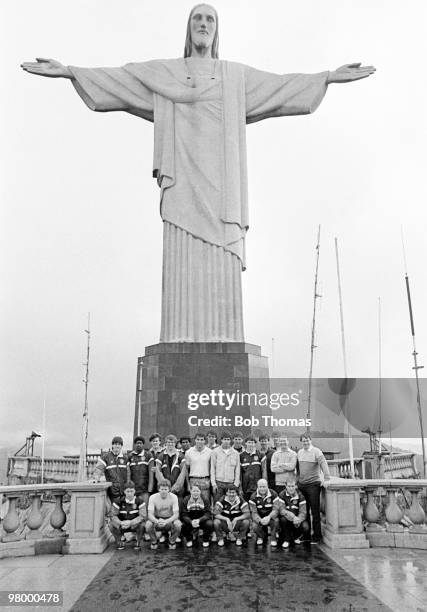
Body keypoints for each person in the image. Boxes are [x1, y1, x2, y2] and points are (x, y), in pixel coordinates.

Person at [21, 6, 375, 345]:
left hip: (223, 190)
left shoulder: (235, 77)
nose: (203, 24)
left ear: (217, 30)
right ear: (188, 29)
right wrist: (70, 71)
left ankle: (224, 334)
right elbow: (121, 79)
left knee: (222, 263)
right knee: (181, 263)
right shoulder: (166, 74)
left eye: (210, 19)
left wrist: (326, 77)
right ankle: (180, 333)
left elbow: (279, 87)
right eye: (197, 18)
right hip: (182, 186)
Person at [297, 433, 331, 543]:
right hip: (302, 485)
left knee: (315, 512)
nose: (305, 442)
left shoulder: (317, 451)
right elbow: (298, 468)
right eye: (303, 441)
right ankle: (306, 535)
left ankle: (317, 536)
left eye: (307, 440)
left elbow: (323, 464)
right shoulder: (300, 452)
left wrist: (327, 478)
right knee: (304, 512)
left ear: (310, 440)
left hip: (313, 485)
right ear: (301, 442)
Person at [91, 435, 128, 505]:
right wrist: (95, 478)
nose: (117, 446)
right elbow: (99, 469)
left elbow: (129, 473)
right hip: (112, 491)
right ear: (112, 445)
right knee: (113, 512)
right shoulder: (106, 457)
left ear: (121, 446)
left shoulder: (125, 458)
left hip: (124, 491)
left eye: (119, 444)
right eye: (115, 444)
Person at [146, 479, 182, 550]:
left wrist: (166, 521)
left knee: (178, 524)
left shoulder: (174, 497)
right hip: (157, 519)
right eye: (162, 489)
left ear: (169, 489)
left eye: (165, 489)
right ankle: (154, 541)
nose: (163, 491)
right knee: (148, 524)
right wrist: (157, 521)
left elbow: (176, 514)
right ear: (158, 489)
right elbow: (150, 514)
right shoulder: (152, 497)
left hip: (170, 519)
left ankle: (172, 541)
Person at [110, 481, 145, 551]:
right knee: (111, 525)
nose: (129, 493)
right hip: (122, 524)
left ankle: (137, 541)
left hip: (134, 524)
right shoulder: (118, 501)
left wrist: (131, 522)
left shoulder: (139, 501)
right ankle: (120, 540)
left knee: (143, 525)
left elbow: (142, 516)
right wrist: (120, 522)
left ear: (134, 491)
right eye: (127, 491)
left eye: (131, 491)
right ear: (124, 491)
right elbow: (113, 515)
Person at [278, 480, 310, 548]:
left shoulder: (301, 496)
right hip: (287, 518)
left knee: (306, 527)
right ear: (286, 486)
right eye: (289, 486)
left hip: (297, 519)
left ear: (296, 486)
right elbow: (282, 510)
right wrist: (293, 517)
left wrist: (298, 519)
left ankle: (295, 537)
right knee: (283, 520)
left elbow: (303, 512)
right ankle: (286, 540)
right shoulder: (282, 494)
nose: (291, 488)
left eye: (292, 486)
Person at [249, 478, 280, 547]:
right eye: (260, 487)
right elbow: (253, 513)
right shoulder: (253, 497)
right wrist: (260, 520)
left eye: (264, 486)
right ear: (257, 487)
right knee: (254, 526)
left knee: (276, 521)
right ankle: (261, 537)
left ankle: (273, 538)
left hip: (270, 517)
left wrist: (269, 517)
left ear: (267, 486)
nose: (262, 489)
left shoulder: (274, 494)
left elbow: (276, 509)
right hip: (260, 518)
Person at [155, 434, 187, 501]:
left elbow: (183, 474)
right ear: (165, 443)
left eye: (172, 442)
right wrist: (165, 487)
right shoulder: (160, 456)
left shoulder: (181, 456)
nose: (170, 444)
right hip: (164, 490)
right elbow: (158, 473)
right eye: (168, 442)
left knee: (178, 509)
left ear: (175, 443)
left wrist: (175, 488)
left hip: (178, 491)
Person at [181, 484, 213, 548]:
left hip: (202, 520)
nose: (195, 493)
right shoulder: (186, 499)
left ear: (200, 491)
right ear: (190, 491)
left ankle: (205, 540)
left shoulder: (205, 499)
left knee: (209, 524)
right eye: (194, 491)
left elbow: (208, 513)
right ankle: (189, 539)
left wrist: (199, 520)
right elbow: (184, 514)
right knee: (183, 526)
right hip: (191, 520)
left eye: (197, 491)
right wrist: (190, 521)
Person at [211, 431, 240, 502]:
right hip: (219, 483)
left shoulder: (235, 453)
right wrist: (213, 484)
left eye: (228, 439)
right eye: (224, 439)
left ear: (231, 440)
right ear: (221, 440)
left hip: (231, 484)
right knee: (217, 504)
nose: (226, 441)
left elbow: (237, 470)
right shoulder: (215, 452)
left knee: (230, 504)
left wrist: (236, 484)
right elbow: (212, 468)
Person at [184, 432, 212, 505]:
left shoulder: (210, 452)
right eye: (198, 439)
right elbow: (186, 469)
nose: (200, 441)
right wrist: (187, 484)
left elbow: (212, 468)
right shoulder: (188, 452)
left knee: (206, 503)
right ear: (195, 440)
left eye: (202, 439)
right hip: (193, 480)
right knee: (193, 503)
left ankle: (206, 516)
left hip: (205, 480)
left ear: (205, 441)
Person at [127, 435, 154, 507]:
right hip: (133, 489)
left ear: (143, 444)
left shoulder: (148, 455)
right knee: (134, 509)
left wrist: (150, 488)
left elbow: (151, 473)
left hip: (144, 489)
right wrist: (129, 487)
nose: (139, 445)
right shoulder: (130, 456)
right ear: (135, 444)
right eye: (137, 443)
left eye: (140, 443)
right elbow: (128, 473)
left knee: (144, 509)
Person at [240, 436, 267, 501]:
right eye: (249, 442)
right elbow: (240, 474)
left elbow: (264, 471)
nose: (251, 444)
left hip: (257, 487)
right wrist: (240, 488)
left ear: (255, 444)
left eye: (252, 443)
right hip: (246, 487)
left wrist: (264, 484)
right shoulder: (241, 456)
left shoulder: (261, 455)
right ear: (245, 443)